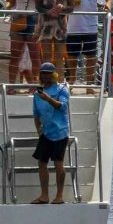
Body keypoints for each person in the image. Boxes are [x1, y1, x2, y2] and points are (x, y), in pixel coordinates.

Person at [64, 0, 113, 86]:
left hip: (90, 25)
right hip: (72, 26)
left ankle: (89, 84)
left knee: (90, 57)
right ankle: (72, 82)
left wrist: (108, 6)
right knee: (72, 56)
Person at [31, 62, 72, 204]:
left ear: (54, 74)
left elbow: (62, 107)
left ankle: (59, 195)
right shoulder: (37, 94)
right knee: (42, 162)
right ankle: (44, 195)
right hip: (46, 132)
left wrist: (48, 99)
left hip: (60, 131)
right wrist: (39, 130)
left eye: (49, 73)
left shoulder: (62, 89)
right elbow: (36, 114)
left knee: (58, 162)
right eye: (44, 73)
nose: (46, 76)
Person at [34, 0, 75, 75]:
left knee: (59, 56)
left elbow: (71, 7)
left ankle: (59, 81)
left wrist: (62, 9)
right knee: (46, 56)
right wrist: (47, 11)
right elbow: (38, 6)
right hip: (46, 25)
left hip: (60, 26)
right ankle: (47, 80)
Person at [6, 0, 40, 81]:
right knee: (15, 55)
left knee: (35, 55)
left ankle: (35, 84)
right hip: (18, 20)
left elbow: (39, 1)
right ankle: (11, 84)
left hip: (33, 21)